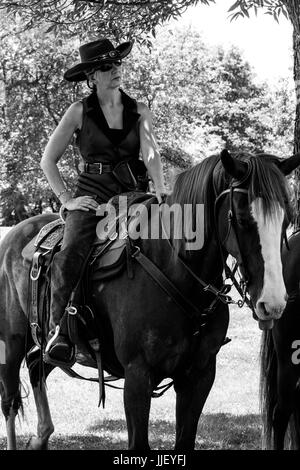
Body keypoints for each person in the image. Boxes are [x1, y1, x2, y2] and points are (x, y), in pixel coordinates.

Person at [40, 38, 165, 366]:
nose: (116, 71)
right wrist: (67, 201)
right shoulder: (78, 111)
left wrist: (161, 187)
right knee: (71, 254)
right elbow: (47, 161)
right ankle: (59, 331)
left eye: (117, 64)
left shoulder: (140, 110)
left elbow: (151, 156)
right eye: (107, 67)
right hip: (91, 199)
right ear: (92, 76)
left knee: (172, 238)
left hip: (133, 194)